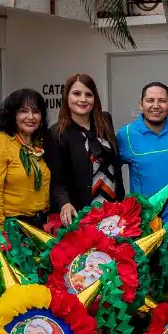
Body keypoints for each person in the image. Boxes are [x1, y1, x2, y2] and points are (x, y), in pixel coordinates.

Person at [46, 73, 125, 225]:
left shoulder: (105, 121)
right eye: (76, 94)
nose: (83, 99)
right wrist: (64, 203)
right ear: (66, 97)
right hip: (82, 215)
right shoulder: (57, 133)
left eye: (88, 94)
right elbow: (56, 181)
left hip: (114, 211)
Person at [0, 88, 53, 229]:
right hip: (10, 226)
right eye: (23, 111)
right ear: (12, 114)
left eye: (36, 112)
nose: (31, 117)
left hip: (39, 224)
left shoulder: (40, 143)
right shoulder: (0, 142)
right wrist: (2, 231)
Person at [116, 82, 168, 213]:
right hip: (146, 222)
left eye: (162, 101)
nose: (156, 106)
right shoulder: (125, 134)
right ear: (141, 104)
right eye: (150, 100)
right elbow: (111, 172)